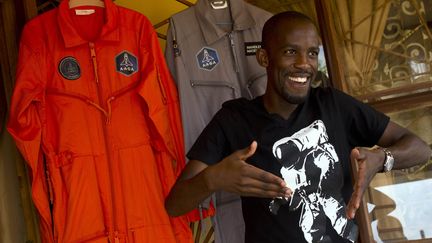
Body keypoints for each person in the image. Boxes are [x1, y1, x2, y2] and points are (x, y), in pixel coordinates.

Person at [165, 11, 431, 243]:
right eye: (291, 52)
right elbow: (175, 204)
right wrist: (214, 178)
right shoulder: (234, 119)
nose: (304, 64)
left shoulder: (334, 105)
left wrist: (382, 158)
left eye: (312, 53)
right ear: (264, 58)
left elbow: (420, 148)